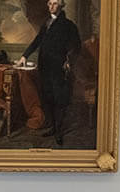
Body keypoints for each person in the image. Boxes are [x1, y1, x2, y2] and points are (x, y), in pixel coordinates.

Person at [17, 0, 80, 145]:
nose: (51, 6)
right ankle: (52, 127)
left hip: (59, 69)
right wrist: (24, 56)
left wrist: (69, 60)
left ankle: (59, 132)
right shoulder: (46, 23)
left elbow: (76, 46)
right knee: (47, 98)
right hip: (44, 68)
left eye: (55, 3)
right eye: (50, 3)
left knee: (59, 100)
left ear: (61, 5)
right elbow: (37, 41)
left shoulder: (68, 25)